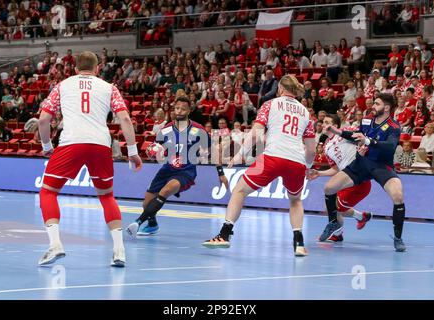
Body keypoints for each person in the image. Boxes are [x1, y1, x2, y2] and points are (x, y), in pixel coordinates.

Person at [37, 51, 142, 267]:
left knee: (48, 191)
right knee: (106, 196)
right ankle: (119, 251)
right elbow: (124, 118)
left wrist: (47, 146)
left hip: (71, 142)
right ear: (97, 69)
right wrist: (132, 151)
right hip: (100, 144)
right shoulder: (109, 87)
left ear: (75, 69)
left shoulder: (62, 85)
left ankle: (55, 244)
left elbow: (44, 119)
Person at [202, 75, 316, 257]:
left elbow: (255, 134)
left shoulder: (270, 104)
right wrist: (308, 167)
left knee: (239, 190)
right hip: (296, 161)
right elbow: (311, 149)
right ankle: (299, 243)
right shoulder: (305, 112)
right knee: (295, 200)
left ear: (279, 89)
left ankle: (224, 234)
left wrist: (240, 155)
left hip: (272, 157)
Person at [126, 96, 229, 236]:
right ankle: (152, 225)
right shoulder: (166, 129)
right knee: (146, 204)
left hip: (186, 171)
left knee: (166, 190)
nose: (179, 111)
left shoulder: (198, 130)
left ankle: (137, 222)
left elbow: (214, 150)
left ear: (188, 111)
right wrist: (153, 152)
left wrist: (221, 173)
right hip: (167, 169)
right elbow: (156, 147)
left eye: (183, 109)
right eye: (177, 108)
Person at [319, 93, 407, 252]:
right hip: (362, 163)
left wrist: (368, 141)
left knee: (398, 195)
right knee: (329, 188)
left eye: (377, 104)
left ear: (386, 108)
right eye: (374, 103)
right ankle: (333, 222)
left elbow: (390, 146)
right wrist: (337, 131)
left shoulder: (394, 126)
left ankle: (398, 238)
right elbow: (354, 136)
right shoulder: (366, 121)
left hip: (381, 166)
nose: (373, 106)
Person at [307, 114, 373, 242]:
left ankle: (341, 231)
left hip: (359, 179)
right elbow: (335, 169)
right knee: (330, 207)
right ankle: (357, 219)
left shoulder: (345, 133)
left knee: (335, 208)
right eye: (323, 122)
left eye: (327, 122)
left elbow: (363, 138)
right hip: (345, 179)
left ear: (335, 126)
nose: (323, 124)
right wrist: (319, 173)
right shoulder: (326, 147)